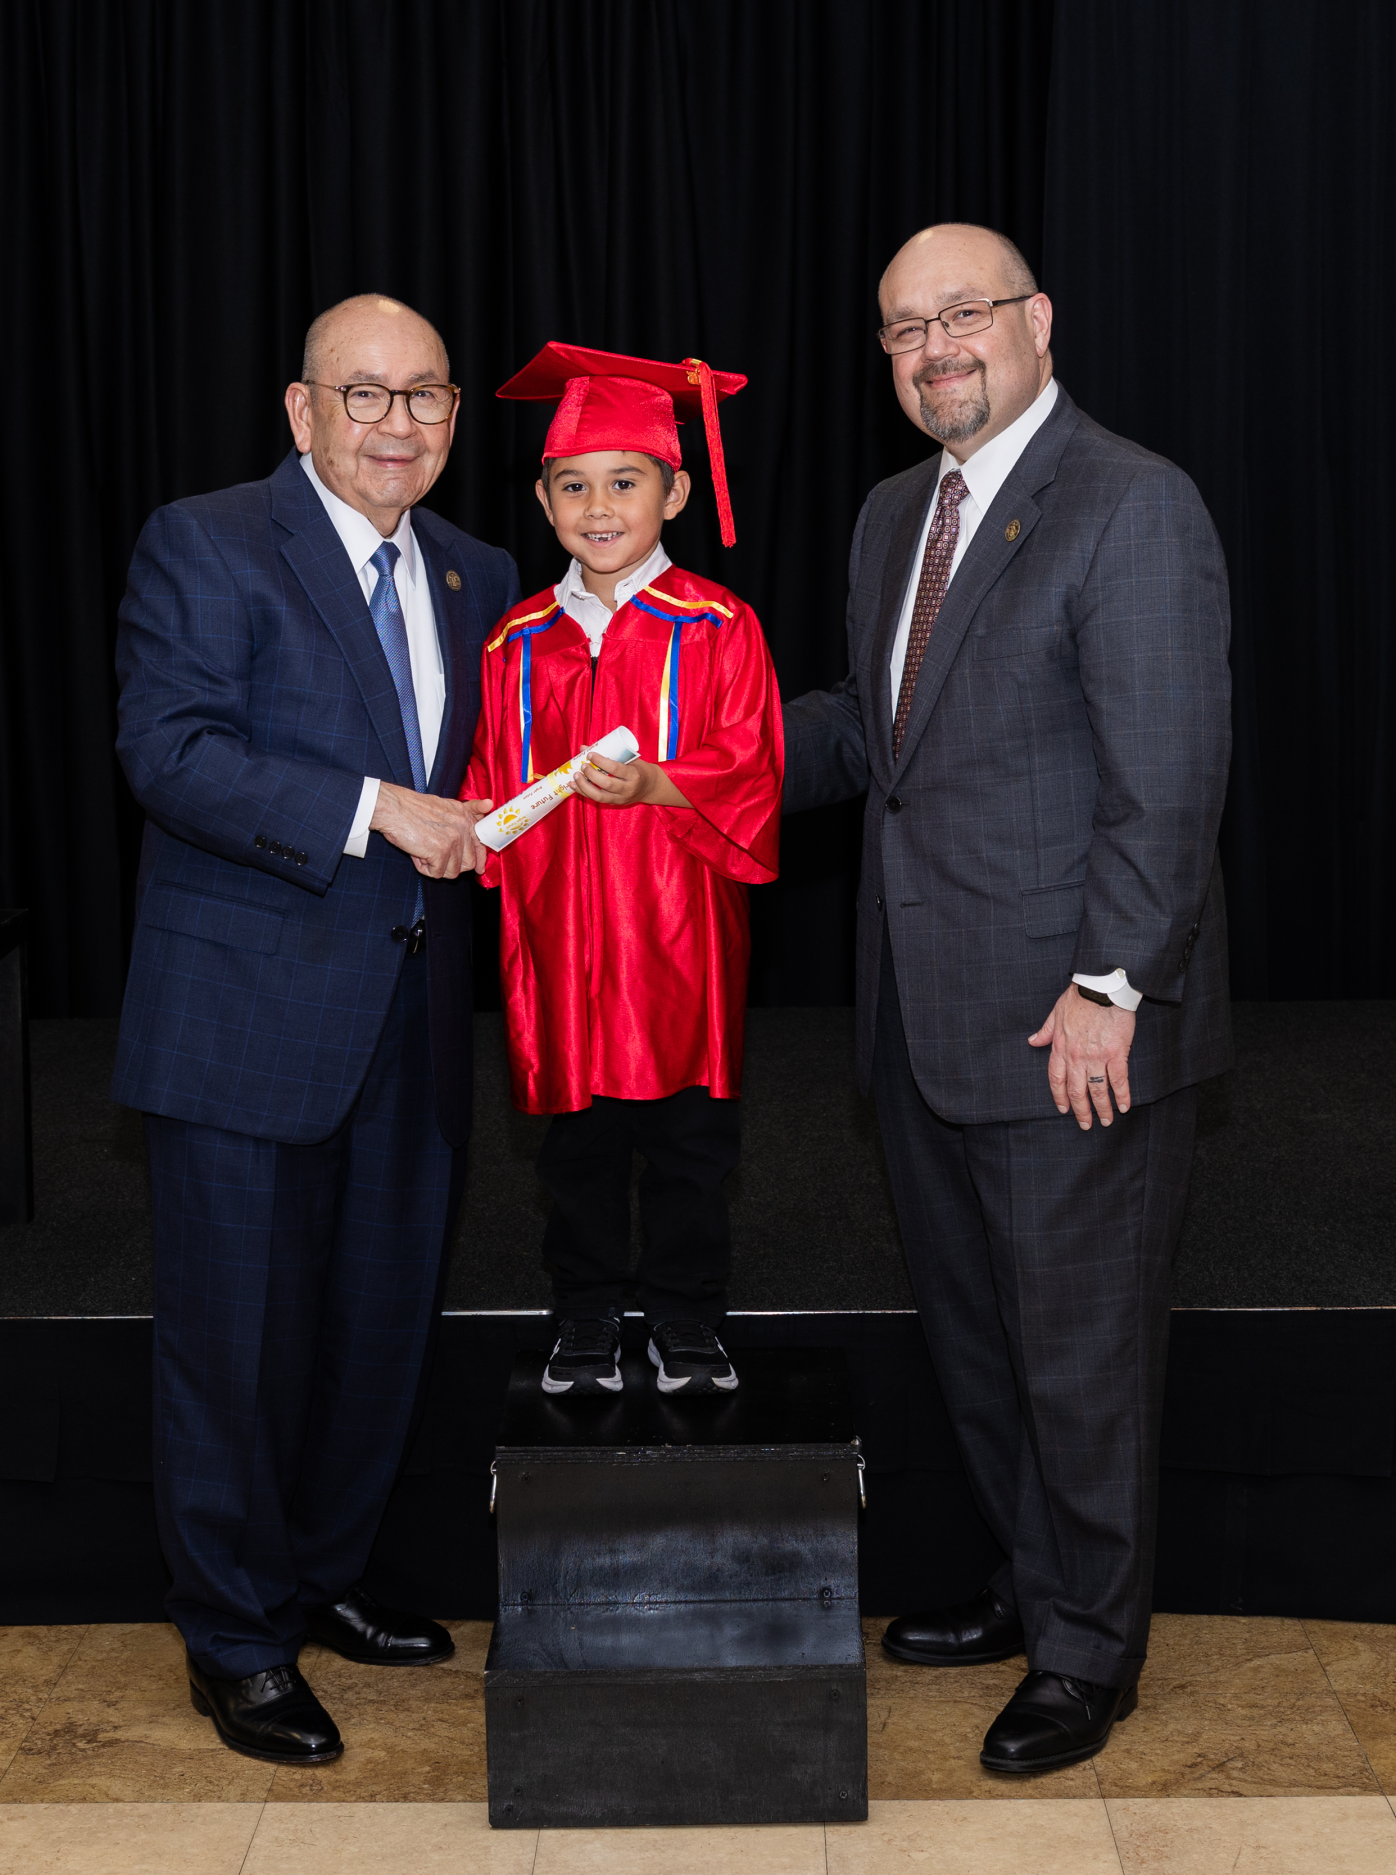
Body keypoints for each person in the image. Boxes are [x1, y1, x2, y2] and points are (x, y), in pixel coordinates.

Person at [782, 225, 1232, 1773]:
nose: (934, 348)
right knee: (981, 1341)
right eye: (904, 328)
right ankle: (1035, 1581)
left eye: (962, 313)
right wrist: (693, 740)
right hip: (923, 1014)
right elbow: (874, 733)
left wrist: (1112, 982)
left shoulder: (1132, 501)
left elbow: (1168, 777)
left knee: (1080, 1354)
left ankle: (1091, 1648)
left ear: (1038, 320)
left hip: (1067, 1025)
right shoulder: (893, 511)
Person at [113, 294, 519, 1765]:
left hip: (415, 1024)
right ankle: (234, 1637)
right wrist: (372, 809)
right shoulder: (207, 542)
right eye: (365, 394)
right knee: (232, 1350)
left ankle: (324, 1574)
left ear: (456, 416)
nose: (397, 423)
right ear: (302, 410)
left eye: (425, 396)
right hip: (243, 1025)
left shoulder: (480, 570)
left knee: (374, 1332)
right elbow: (169, 752)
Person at [463, 343, 782, 1397]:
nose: (598, 507)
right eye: (573, 485)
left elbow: (753, 764)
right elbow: (489, 783)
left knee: (692, 1146)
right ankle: (587, 1309)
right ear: (544, 498)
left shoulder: (720, 625)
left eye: (625, 482)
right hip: (560, 941)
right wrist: (474, 827)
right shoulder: (515, 641)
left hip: (678, 936)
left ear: (674, 493)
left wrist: (656, 785)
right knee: (575, 1152)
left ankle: (687, 1313)